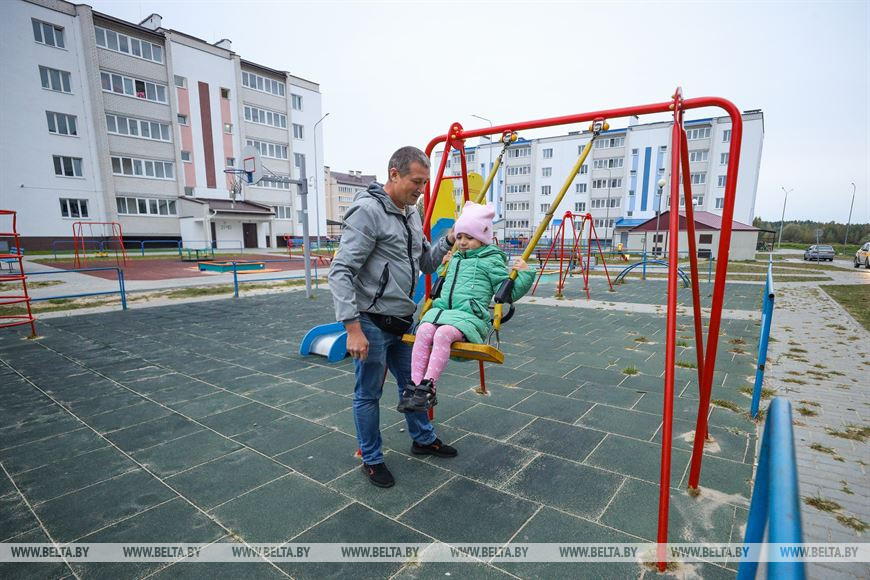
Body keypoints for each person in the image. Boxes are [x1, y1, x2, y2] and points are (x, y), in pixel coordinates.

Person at [328, 146, 458, 489]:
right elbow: (340, 271)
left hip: (404, 319)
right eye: (417, 181)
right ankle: (372, 459)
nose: (421, 189)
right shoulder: (367, 212)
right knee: (368, 394)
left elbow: (426, 263)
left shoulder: (411, 213)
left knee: (414, 385)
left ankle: (422, 439)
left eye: (425, 183)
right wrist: (352, 329)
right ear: (394, 174)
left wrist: (447, 240)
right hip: (371, 322)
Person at [398, 201, 535, 413]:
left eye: (469, 238)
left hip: (470, 318)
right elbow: (448, 284)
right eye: (460, 236)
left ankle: (429, 385)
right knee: (424, 329)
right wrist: (445, 264)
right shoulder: (455, 259)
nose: (462, 242)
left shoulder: (490, 261)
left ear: (482, 238)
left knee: (443, 333)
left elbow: (506, 292)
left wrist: (525, 273)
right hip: (443, 312)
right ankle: (416, 386)